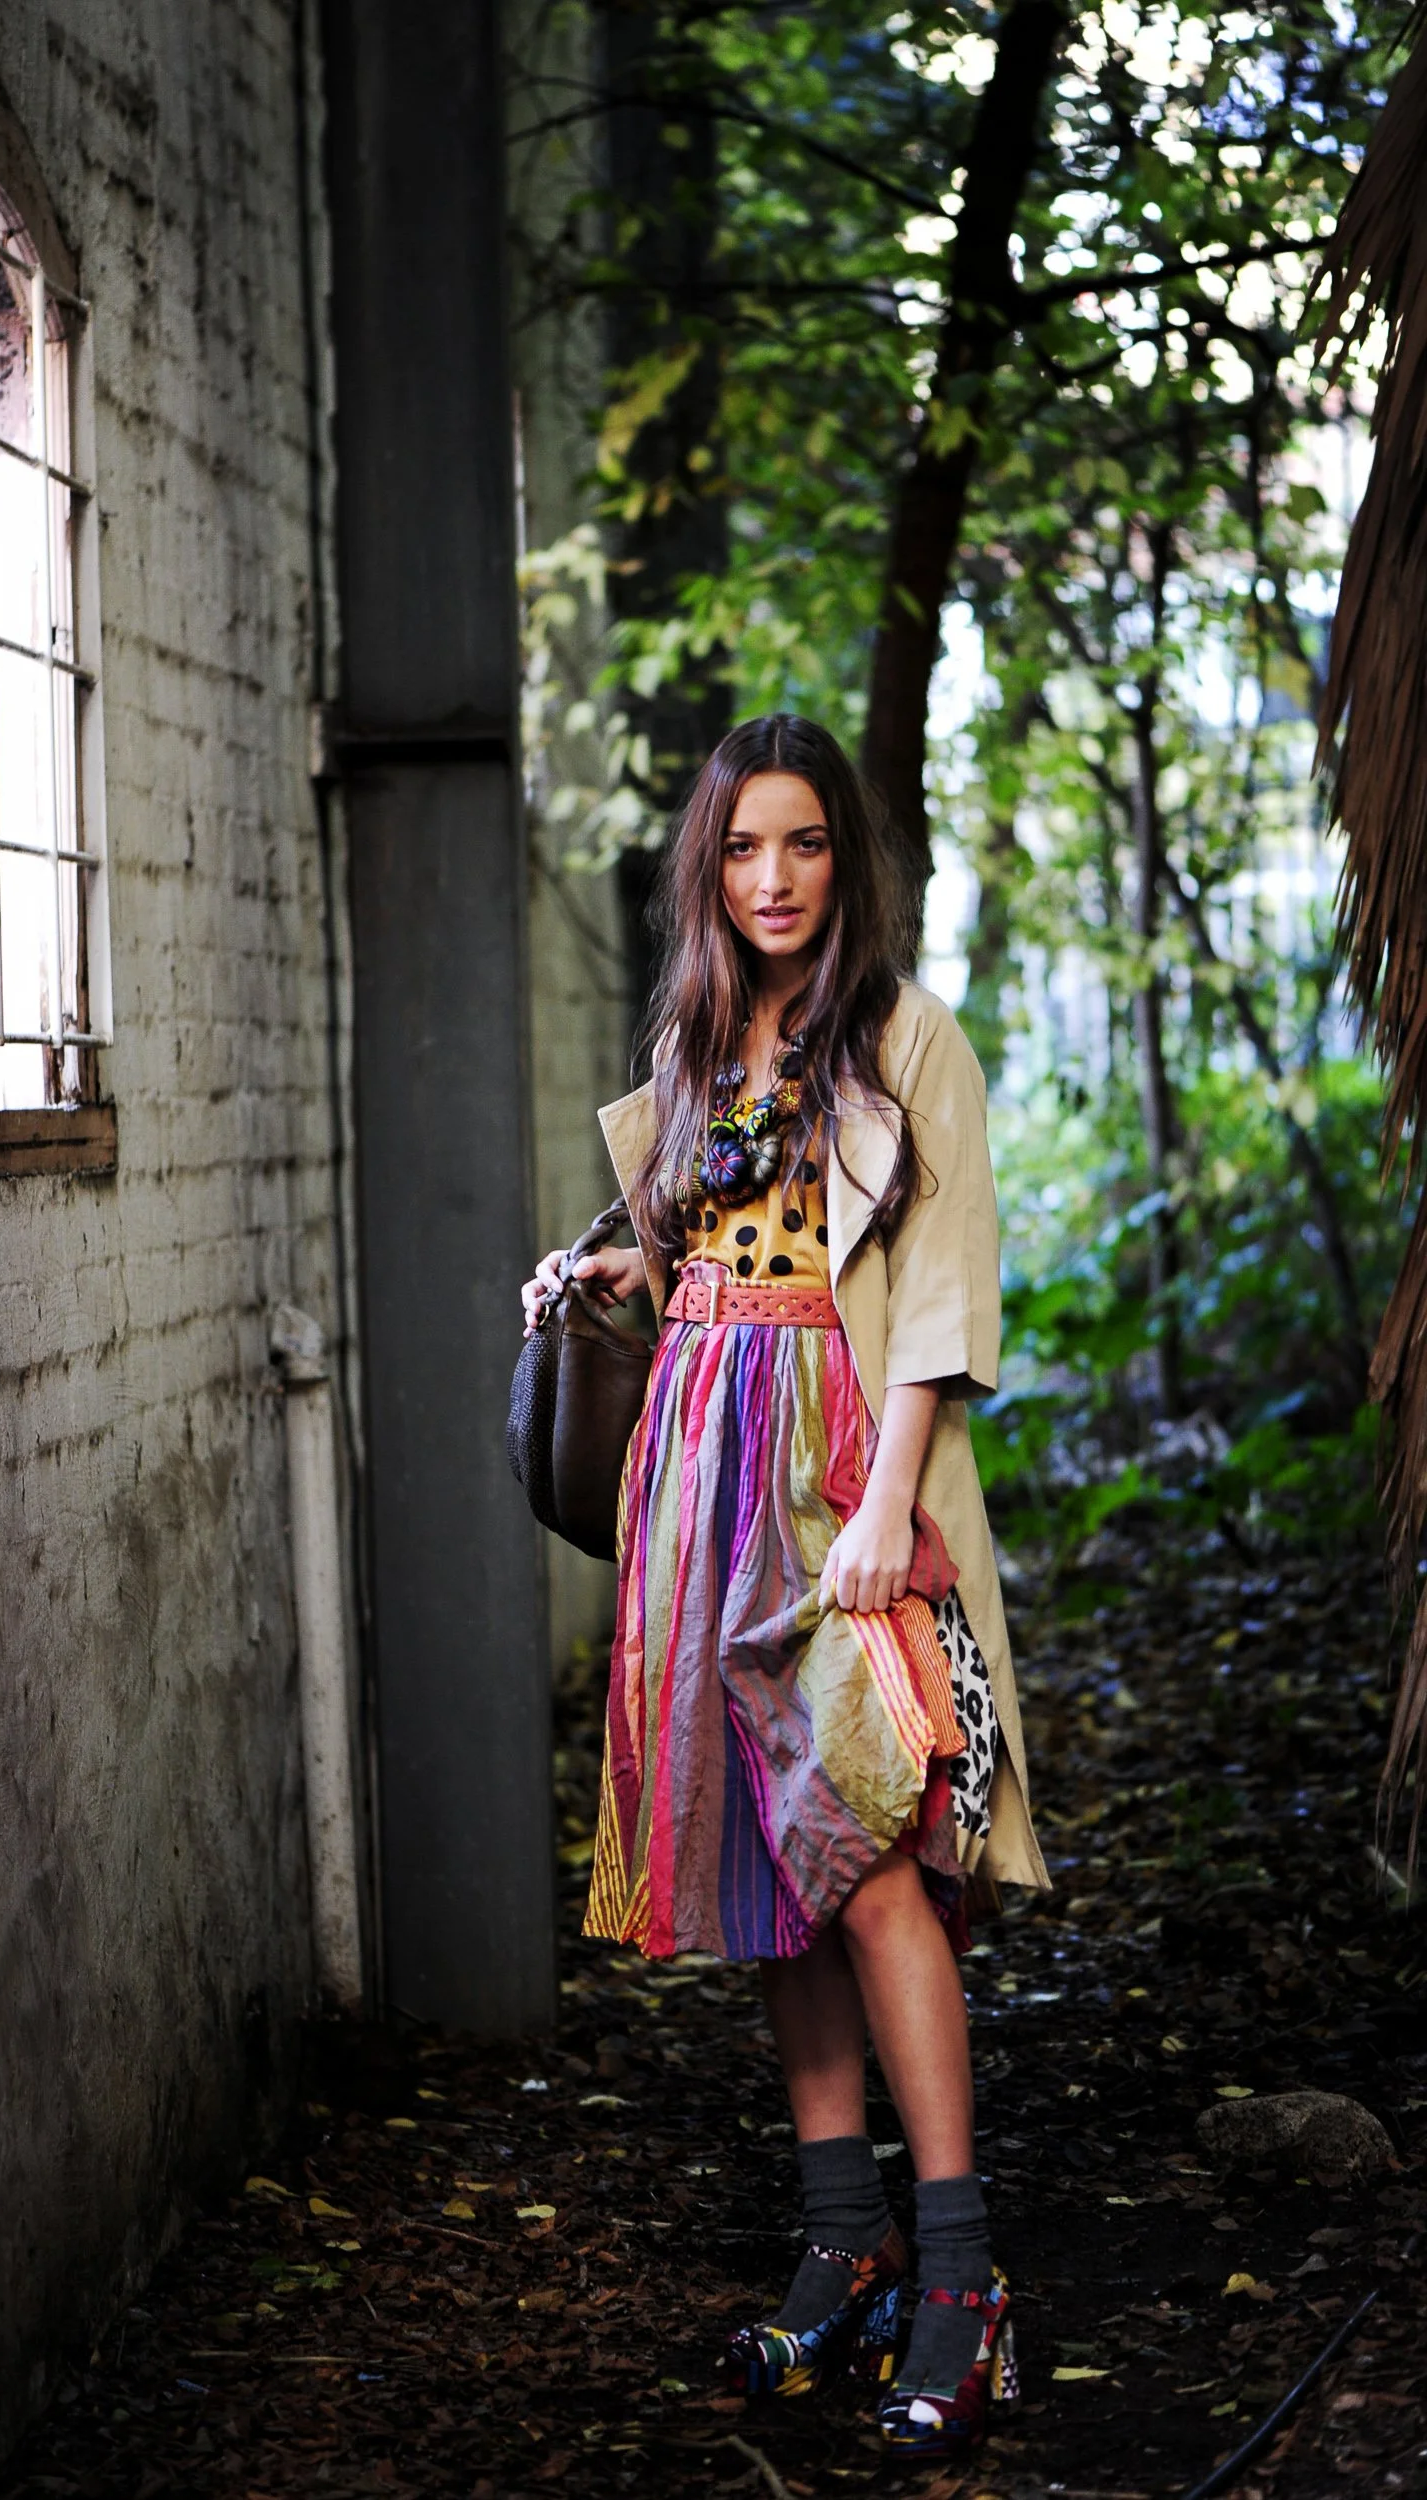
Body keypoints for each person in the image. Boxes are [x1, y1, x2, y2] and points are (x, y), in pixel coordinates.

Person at [521, 715, 1048, 2459]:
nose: (771, 878)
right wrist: (611, 1266)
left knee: (880, 1849)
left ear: (847, 860)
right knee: (767, 1865)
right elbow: (697, 1247)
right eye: (742, 849)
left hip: (840, 1477)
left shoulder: (905, 1038)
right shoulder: (697, 1042)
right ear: (708, 866)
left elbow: (946, 1298)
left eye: (803, 845)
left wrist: (887, 1507)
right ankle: (845, 2238)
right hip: (697, 1471)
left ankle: (963, 2279)